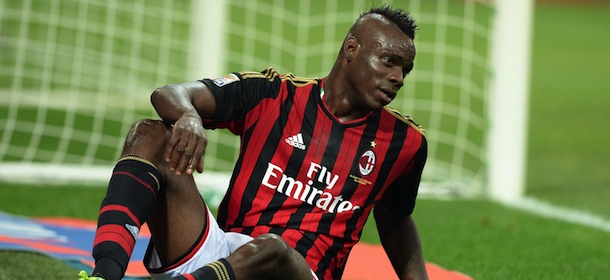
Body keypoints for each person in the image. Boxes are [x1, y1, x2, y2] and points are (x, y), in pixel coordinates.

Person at [80, 5, 429, 280]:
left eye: (405, 70)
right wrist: (187, 116)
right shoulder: (274, 94)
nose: (397, 78)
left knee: (273, 250)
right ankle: (103, 275)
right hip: (223, 257)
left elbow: (396, 219)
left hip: (299, 271)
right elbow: (170, 94)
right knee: (150, 133)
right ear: (351, 49)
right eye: (389, 62)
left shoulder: (405, 143)